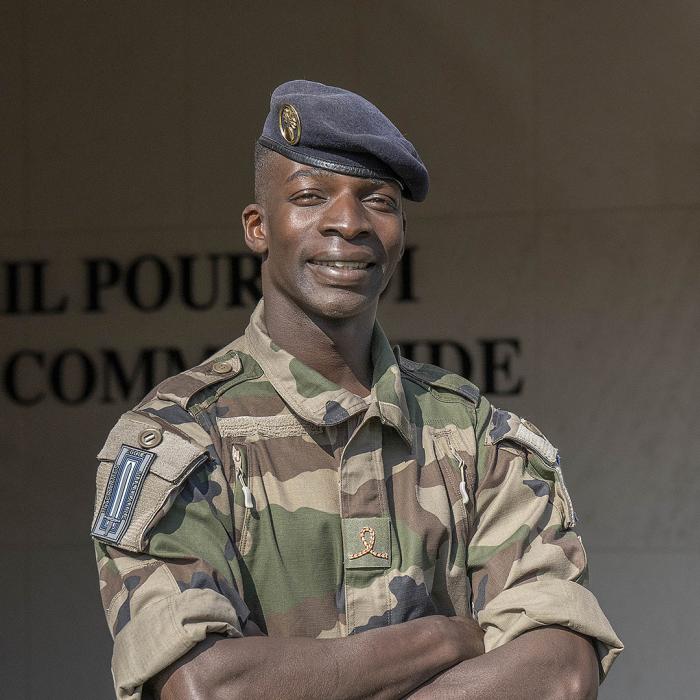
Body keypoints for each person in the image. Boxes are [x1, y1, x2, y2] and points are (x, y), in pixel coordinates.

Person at [91, 80, 623, 699]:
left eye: (378, 200)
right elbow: (207, 689)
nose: (348, 223)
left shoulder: (473, 434)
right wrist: (448, 639)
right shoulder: (177, 441)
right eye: (311, 196)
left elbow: (560, 671)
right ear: (258, 227)